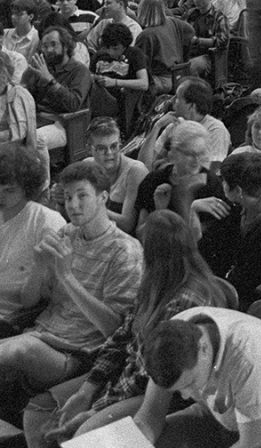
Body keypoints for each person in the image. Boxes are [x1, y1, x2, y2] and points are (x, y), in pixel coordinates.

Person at [21, 210, 223, 448]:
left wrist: (97, 408)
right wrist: (87, 391)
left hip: (161, 390)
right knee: (38, 413)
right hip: (128, 375)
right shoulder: (153, 284)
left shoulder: (186, 301)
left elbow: (154, 373)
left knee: (85, 434)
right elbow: (120, 339)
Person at [0, 161, 143, 400]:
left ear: (103, 197)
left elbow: (116, 330)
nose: (73, 205)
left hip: (78, 355)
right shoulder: (66, 234)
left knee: (19, 349)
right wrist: (38, 265)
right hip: (39, 334)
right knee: (19, 347)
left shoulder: (125, 251)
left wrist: (67, 277)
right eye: (67, 198)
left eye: (82, 196)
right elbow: (28, 302)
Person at [130, 306, 261, 448]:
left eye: (190, 383)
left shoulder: (252, 358)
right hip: (220, 413)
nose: (186, 395)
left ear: (204, 348)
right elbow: (150, 417)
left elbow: (253, 444)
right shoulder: (170, 338)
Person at [202, 152, 261, 309]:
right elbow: (207, 246)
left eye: (224, 181)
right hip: (220, 284)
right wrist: (195, 208)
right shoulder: (237, 206)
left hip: (243, 299)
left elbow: (245, 282)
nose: (221, 183)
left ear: (237, 190)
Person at [0, 144, 65, 328]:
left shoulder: (47, 221)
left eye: (9, 190)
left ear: (26, 187)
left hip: (13, 317)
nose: (0, 195)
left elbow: (49, 293)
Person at [21, 25, 92, 152]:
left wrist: (49, 80)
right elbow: (26, 97)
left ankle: (39, 172)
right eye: (45, 46)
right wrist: (25, 81)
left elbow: (73, 104)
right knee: (10, 133)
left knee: (35, 140)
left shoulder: (80, 70)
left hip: (64, 124)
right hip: (37, 119)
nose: (48, 49)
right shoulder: (42, 67)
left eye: (54, 45)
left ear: (65, 46)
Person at [138, 77, 231, 169]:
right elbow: (143, 166)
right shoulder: (173, 126)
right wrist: (157, 126)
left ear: (191, 106)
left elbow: (210, 171)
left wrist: (166, 165)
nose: (172, 100)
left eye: (177, 97)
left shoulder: (216, 130)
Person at [133, 0, 193, 94]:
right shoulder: (173, 22)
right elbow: (190, 32)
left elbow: (139, 65)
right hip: (178, 74)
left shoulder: (146, 35)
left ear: (142, 10)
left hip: (161, 80)